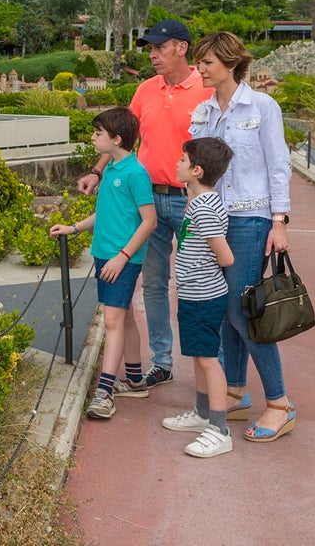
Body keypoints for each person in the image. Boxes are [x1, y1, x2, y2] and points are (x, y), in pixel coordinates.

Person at [77, 20, 213, 390]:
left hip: (189, 202)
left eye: (159, 47)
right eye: (150, 49)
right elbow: (124, 139)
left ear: (181, 48)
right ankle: (163, 362)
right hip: (147, 199)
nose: (152, 55)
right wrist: (97, 171)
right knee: (153, 284)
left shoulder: (206, 88)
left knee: (198, 284)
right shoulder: (145, 90)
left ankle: (209, 372)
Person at [188, 31, 295, 442]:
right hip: (213, 218)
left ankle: (280, 404)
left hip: (250, 219)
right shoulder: (202, 111)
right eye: (199, 62)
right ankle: (233, 391)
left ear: (231, 65)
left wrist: (280, 221)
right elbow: (195, 170)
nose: (200, 69)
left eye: (207, 63)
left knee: (243, 310)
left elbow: (278, 165)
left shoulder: (263, 107)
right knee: (223, 309)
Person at [52, 107, 157, 419]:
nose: (93, 138)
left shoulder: (136, 173)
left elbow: (149, 221)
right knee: (123, 319)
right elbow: (108, 212)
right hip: (106, 255)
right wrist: (75, 228)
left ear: (117, 138)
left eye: (98, 134)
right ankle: (136, 380)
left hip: (120, 259)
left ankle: (104, 392)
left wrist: (122, 258)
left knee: (112, 322)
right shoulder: (112, 167)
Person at [161, 137, 236, 458]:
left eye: (181, 160)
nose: (176, 164)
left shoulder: (205, 208)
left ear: (196, 169)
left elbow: (226, 257)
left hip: (205, 297)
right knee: (198, 356)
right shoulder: (200, 203)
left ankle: (219, 428)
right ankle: (202, 413)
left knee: (208, 359)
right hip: (193, 295)